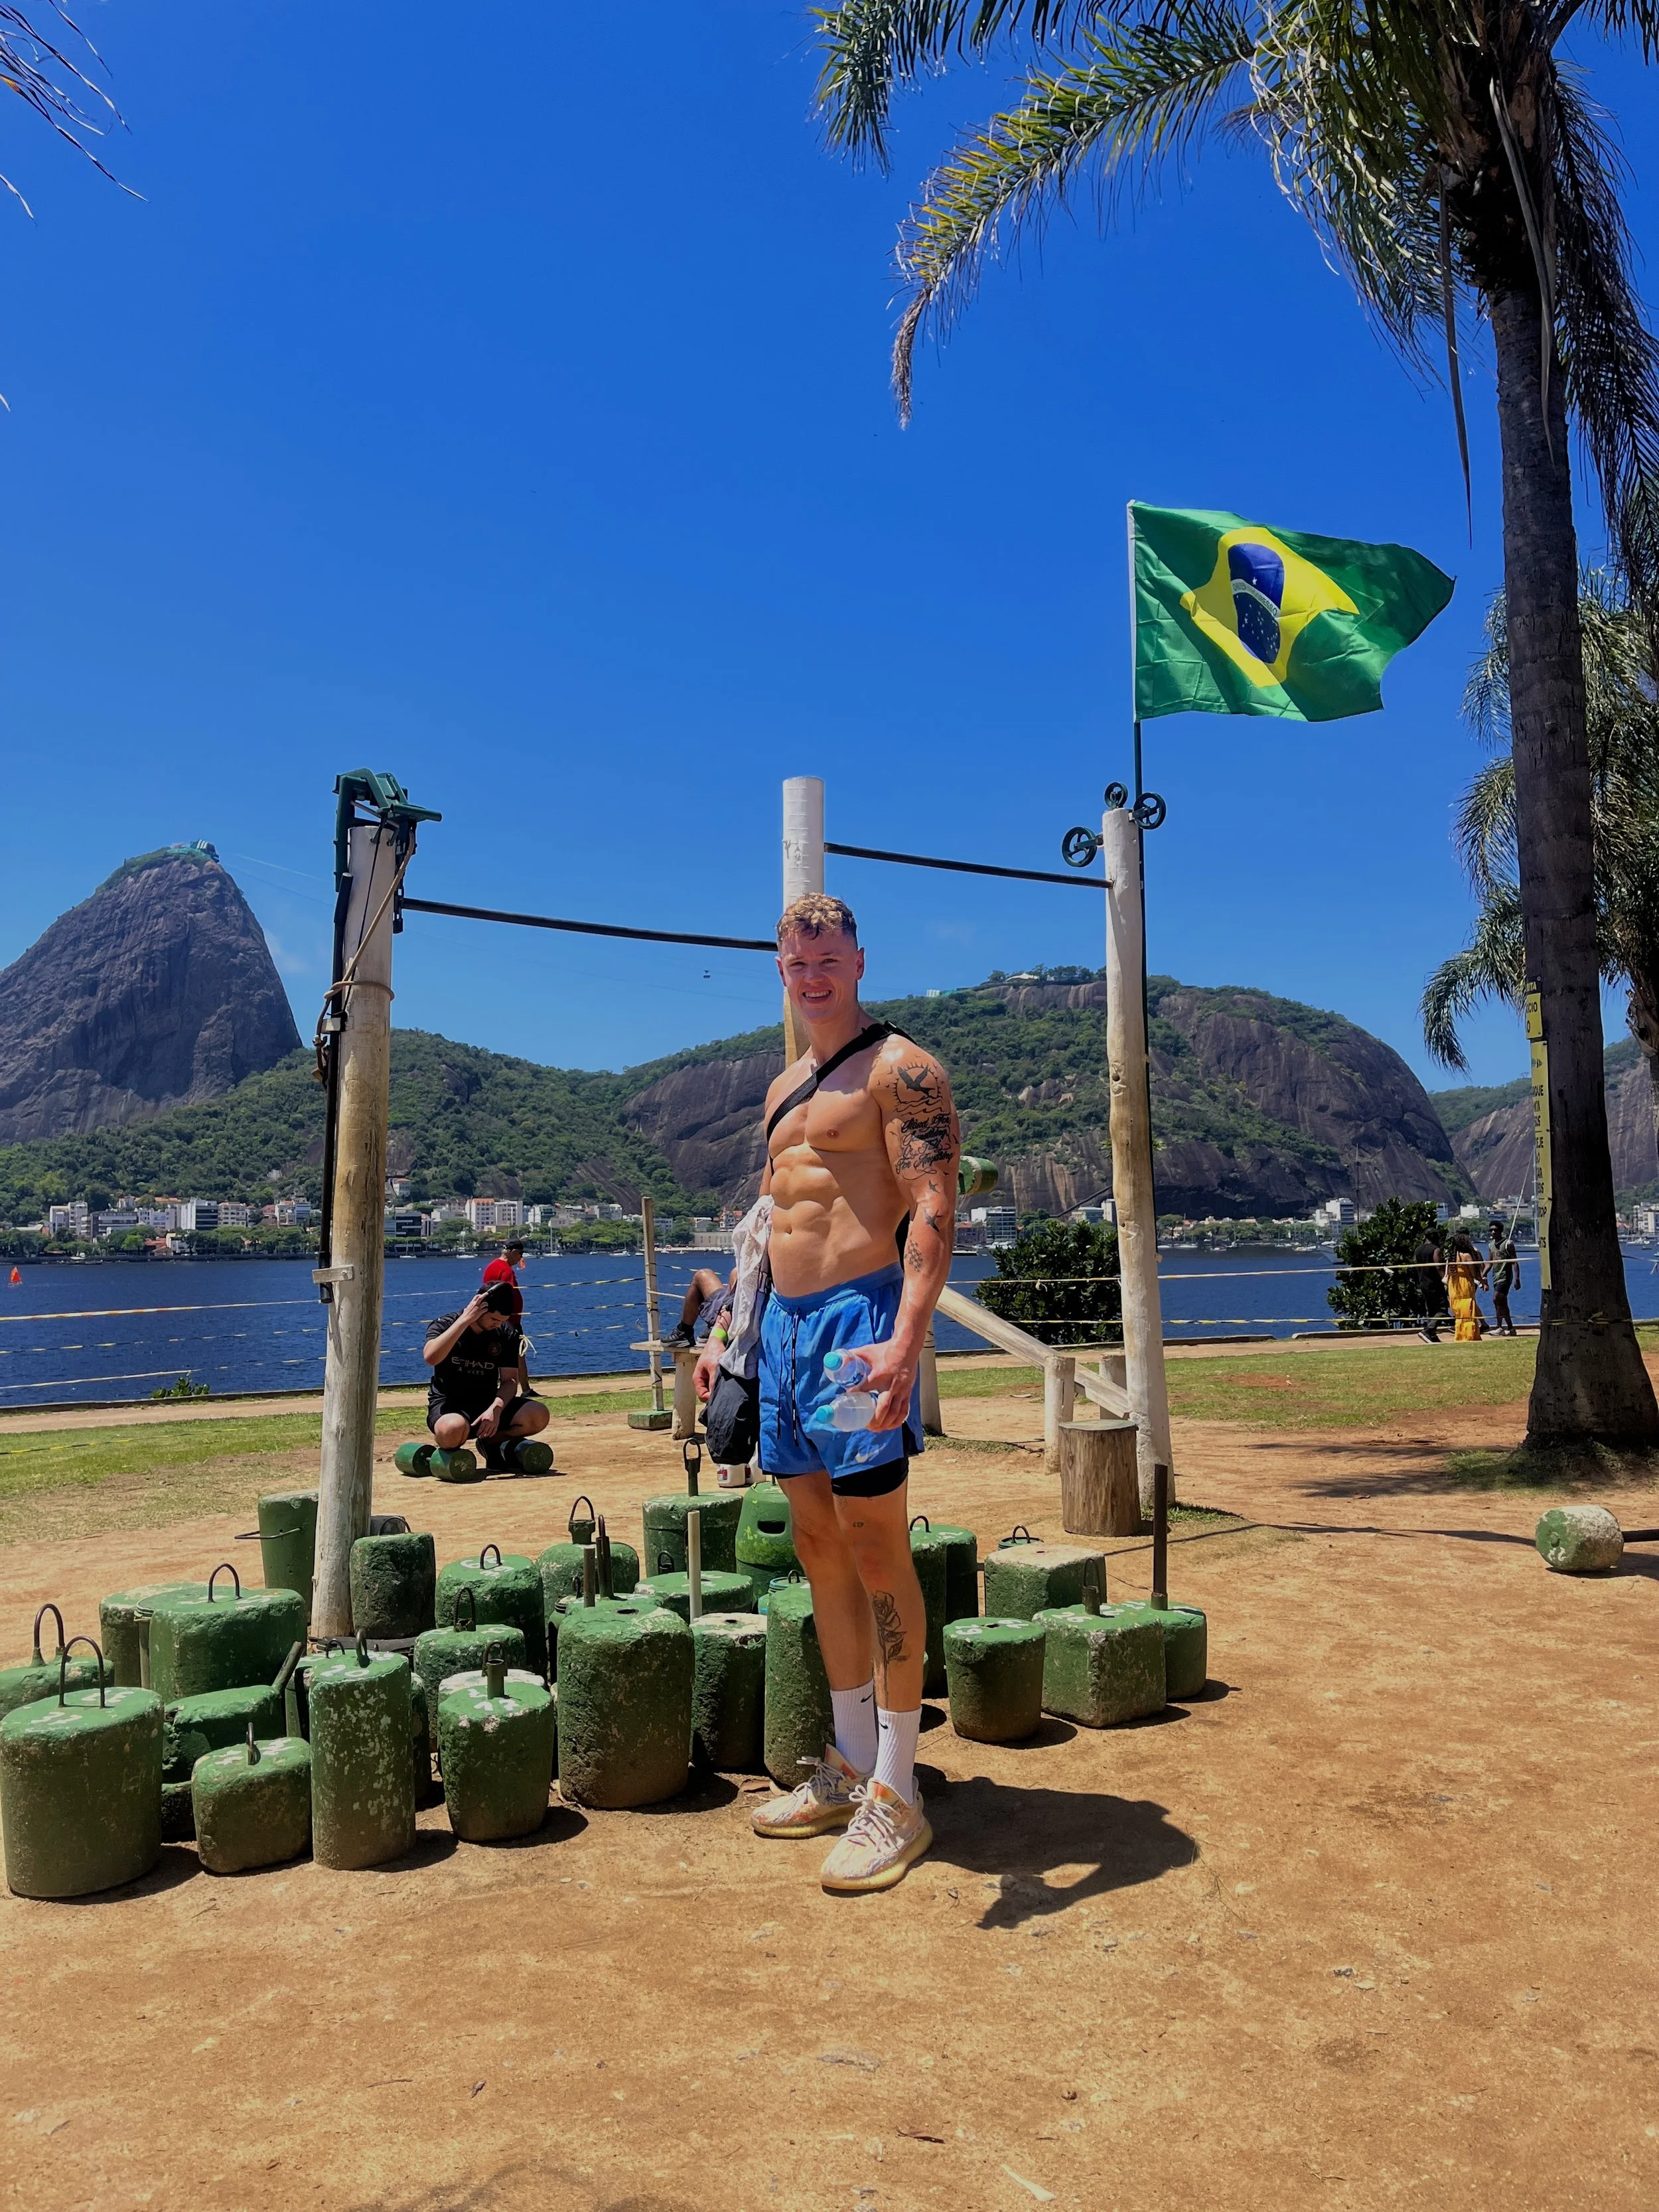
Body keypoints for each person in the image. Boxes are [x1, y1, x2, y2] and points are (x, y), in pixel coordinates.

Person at [698, 890, 959, 1895]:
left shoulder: (903, 1071)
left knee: (875, 1545)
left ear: (858, 961)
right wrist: (728, 1334)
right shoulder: (779, 1089)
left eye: (828, 962)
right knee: (813, 1544)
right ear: (781, 970)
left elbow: (935, 1205)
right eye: (795, 965)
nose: (812, 978)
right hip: (789, 1335)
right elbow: (767, 1228)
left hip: (859, 1329)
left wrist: (905, 1339)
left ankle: (899, 1789)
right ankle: (850, 1764)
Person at [422, 1284, 551, 1469]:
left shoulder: (505, 1333)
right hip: (450, 1403)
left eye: (502, 1320)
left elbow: (510, 1381)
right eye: (493, 1319)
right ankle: (451, 1445)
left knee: (539, 1415)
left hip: (487, 1403)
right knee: (452, 1429)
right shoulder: (446, 1324)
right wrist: (464, 1321)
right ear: (479, 1307)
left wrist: (496, 1408)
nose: (497, 1324)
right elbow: (431, 1358)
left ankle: (491, 1443)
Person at [480, 1239, 535, 1398]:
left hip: (495, 1318)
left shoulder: (491, 1266)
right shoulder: (506, 1270)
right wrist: (505, 1318)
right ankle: (524, 1390)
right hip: (508, 1320)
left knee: (495, 1353)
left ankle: (523, 1388)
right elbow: (507, 1294)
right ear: (514, 1253)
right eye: (520, 1255)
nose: (520, 1260)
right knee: (519, 1353)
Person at [662, 1267, 735, 1353]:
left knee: (702, 1275)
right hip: (745, 1310)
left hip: (734, 1315)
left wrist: (720, 1327)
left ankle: (684, 1332)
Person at [1444, 1230, 1486, 1343]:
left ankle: (1460, 1335)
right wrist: (1482, 1280)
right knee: (1468, 1309)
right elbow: (1473, 1274)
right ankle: (1469, 1335)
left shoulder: (1452, 1257)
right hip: (1464, 1284)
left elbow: (1448, 1273)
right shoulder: (1466, 1256)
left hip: (1454, 1285)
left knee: (1458, 1311)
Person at [1413, 1226, 1447, 1344]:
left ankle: (1432, 1335)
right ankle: (1428, 1330)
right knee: (1443, 1308)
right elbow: (1438, 1266)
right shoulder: (1436, 1250)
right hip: (1434, 1283)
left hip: (1423, 1282)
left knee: (1431, 1310)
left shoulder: (1418, 1250)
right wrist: (1445, 1279)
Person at [1487, 1218, 1519, 1336]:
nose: (1493, 1232)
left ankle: (1499, 1326)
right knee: (1502, 1303)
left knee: (1496, 1298)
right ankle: (1511, 1328)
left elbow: (1515, 1262)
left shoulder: (1508, 1244)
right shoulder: (1491, 1245)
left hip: (1505, 1277)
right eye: (1491, 1230)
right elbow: (1489, 1263)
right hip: (1495, 1277)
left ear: (1500, 1231)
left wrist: (1517, 1279)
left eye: (1495, 1230)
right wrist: (1483, 1275)